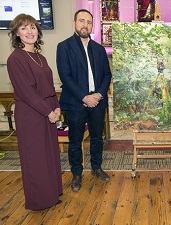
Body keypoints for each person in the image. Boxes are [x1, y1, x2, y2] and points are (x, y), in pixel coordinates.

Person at [7, 14, 63, 210]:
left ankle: (51, 193)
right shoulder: (15, 58)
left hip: (47, 112)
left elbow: (49, 85)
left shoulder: (41, 57)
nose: (29, 31)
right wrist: (48, 112)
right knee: (35, 158)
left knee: (49, 155)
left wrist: (56, 107)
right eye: (23, 28)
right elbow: (27, 92)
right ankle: (39, 200)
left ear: (38, 31)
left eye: (32, 27)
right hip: (31, 115)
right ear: (16, 34)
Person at [56, 9, 112, 192]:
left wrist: (98, 95)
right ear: (74, 23)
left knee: (97, 138)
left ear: (92, 25)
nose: (85, 25)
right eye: (82, 21)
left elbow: (106, 74)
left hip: (97, 102)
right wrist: (84, 97)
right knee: (75, 140)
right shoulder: (64, 47)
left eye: (89, 22)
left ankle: (96, 167)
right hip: (75, 103)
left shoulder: (99, 49)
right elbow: (66, 76)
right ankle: (77, 173)